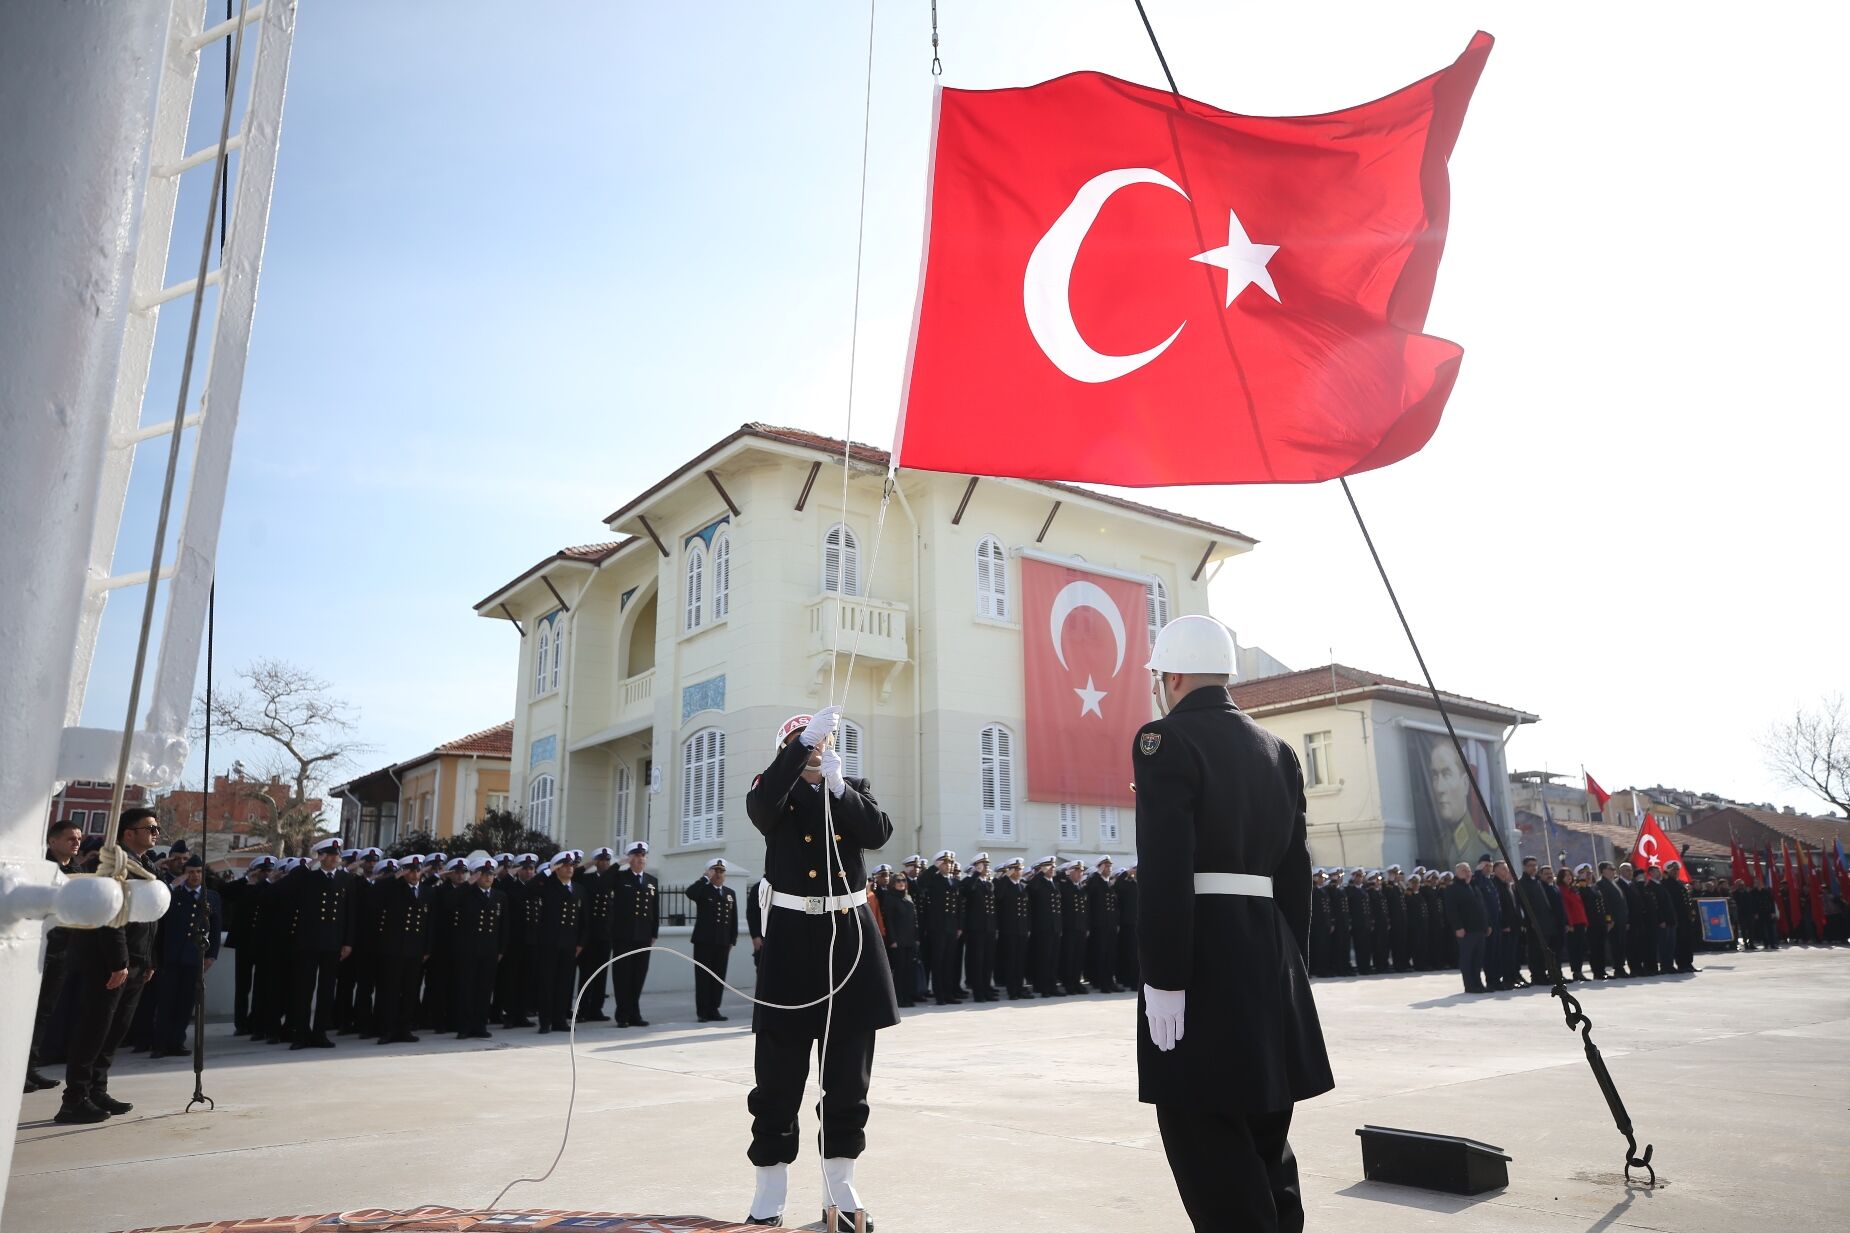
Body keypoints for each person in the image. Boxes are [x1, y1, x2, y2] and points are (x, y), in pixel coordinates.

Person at [1136, 616, 1333, 1233]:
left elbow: (1166, 867)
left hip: (1205, 959)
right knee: (1267, 1139)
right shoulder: (1278, 751)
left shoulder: (1165, 740)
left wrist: (1165, 978)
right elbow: (1296, 873)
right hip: (1269, 955)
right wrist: (1292, 969)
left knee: (1206, 1141)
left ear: (1171, 676)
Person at [742, 706, 897, 1229]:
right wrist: (797, 751)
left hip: (848, 939)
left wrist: (839, 787)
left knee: (849, 1076)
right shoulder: (772, 789)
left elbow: (876, 832)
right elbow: (763, 810)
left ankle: (840, 1189)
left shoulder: (850, 788)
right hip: (792, 941)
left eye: (821, 742)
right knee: (778, 1077)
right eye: (805, 744)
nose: (815, 751)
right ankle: (769, 1194)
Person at [58, 807, 162, 1123]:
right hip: (109, 963)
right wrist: (119, 963)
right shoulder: (112, 865)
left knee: (115, 1031)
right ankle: (74, 1099)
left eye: (156, 829)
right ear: (128, 833)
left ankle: (96, 1090)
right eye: (150, 828)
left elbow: (148, 918)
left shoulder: (145, 865)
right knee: (94, 1030)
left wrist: (148, 959)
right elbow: (110, 917)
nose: (156, 834)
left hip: (136, 961)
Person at [26, 819, 84, 1093]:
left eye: (79, 838)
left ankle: (29, 1067)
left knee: (44, 1012)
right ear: (53, 841)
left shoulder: (78, 871)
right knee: (26, 1009)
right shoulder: (40, 868)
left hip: (63, 949)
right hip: (37, 947)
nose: (76, 843)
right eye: (71, 838)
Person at [286, 836, 355, 1050]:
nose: (335, 858)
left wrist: (348, 942)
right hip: (309, 942)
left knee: (327, 991)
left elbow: (350, 913)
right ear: (322, 856)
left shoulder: (345, 879)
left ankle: (320, 1033)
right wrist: (312, 862)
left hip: (333, 943)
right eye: (330, 855)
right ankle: (301, 1034)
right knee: (304, 989)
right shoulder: (309, 877)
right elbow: (290, 882)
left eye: (337, 855)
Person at [151, 855, 222, 1058]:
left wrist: (211, 955)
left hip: (194, 957)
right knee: (167, 1002)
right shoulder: (174, 894)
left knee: (186, 1002)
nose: (195, 876)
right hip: (171, 957)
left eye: (198, 872)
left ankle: (177, 1042)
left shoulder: (211, 897)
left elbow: (215, 929)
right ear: (184, 874)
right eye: (190, 872)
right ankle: (160, 1044)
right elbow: (161, 926)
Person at [374, 856, 432, 1044]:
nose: (415, 875)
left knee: (410, 992)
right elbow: (377, 890)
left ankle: (404, 1029)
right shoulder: (394, 889)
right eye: (410, 871)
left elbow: (429, 923)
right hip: (395, 948)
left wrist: (427, 948)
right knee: (391, 991)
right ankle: (388, 1030)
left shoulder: (426, 891)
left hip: (415, 949)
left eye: (417, 871)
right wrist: (395, 876)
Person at [453, 855, 507, 1040]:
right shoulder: (467, 894)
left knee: (484, 989)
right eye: (483, 874)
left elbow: (504, 925)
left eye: (490, 874)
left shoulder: (500, 896)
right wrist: (468, 883)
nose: (488, 877)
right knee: (466, 989)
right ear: (476, 876)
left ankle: (480, 1025)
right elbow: (449, 902)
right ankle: (464, 1026)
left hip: (490, 950)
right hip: (469, 949)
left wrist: (501, 949)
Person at [608, 841, 660, 1028]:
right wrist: (618, 864)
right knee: (622, 976)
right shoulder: (620, 877)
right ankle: (622, 1015)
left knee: (638, 975)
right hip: (623, 935)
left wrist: (654, 932)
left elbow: (655, 909)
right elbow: (602, 883)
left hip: (644, 936)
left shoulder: (651, 881)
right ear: (630, 858)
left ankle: (634, 1013)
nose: (640, 859)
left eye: (643, 856)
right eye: (636, 856)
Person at [534, 851, 584, 1033]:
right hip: (549, 942)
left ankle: (560, 1020)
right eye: (565, 865)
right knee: (547, 983)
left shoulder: (578, 889)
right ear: (557, 868)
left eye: (572, 865)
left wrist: (581, 942)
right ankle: (545, 1021)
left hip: (569, 943)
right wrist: (549, 870)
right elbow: (530, 888)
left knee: (564, 984)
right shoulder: (548, 886)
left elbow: (583, 919)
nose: (570, 868)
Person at [687, 856, 740, 1022]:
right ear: (710, 873)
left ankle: (714, 1009)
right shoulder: (703, 890)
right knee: (703, 978)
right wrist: (704, 878)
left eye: (721, 871)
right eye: (715, 871)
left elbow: (733, 919)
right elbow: (690, 892)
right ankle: (702, 1012)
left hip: (723, 942)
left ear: (725, 874)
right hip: (704, 942)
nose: (718, 874)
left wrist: (732, 940)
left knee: (719, 978)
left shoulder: (730, 894)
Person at [916, 849, 962, 1004]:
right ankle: (939, 995)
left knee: (949, 962)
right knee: (938, 961)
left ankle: (949, 994)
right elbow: (920, 882)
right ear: (939, 865)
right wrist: (934, 867)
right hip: (937, 927)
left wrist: (959, 926)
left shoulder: (954, 881)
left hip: (951, 927)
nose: (948, 866)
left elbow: (959, 907)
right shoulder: (934, 880)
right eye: (945, 863)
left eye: (950, 863)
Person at [1442, 862, 1490, 993]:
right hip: (1466, 930)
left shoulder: (1473, 886)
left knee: (1478, 958)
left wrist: (1487, 924)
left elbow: (1482, 907)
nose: (1467, 873)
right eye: (1464, 871)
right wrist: (1458, 927)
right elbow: (1452, 911)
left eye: (1468, 870)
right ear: (1457, 873)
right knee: (1467, 958)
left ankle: (1478, 983)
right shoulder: (1453, 889)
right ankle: (1470, 985)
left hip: (1479, 928)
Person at [959, 852, 999, 1002]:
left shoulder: (987, 883)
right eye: (983, 865)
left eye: (987, 865)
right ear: (976, 866)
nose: (986, 867)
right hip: (976, 929)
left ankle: (987, 989)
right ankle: (978, 992)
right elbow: (966, 890)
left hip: (989, 928)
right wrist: (976, 873)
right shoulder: (971, 882)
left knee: (988, 961)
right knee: (978, 961)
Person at [993, 858, 1032, 999]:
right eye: (1016, 869)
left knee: (1020, 960)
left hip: (1021, 929)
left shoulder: (1021, 886)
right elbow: (998, 896)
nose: (1019, 871)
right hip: (1009, 929)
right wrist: (1005, 877)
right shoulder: (1004, 885)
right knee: (1011, 960)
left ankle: (1019, 987)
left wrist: (1028, 927)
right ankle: (1012, 990)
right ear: (1010, 871)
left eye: (1020, 869)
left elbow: (1027, 910)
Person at [1027, 856, 1064, 997]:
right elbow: (1031, 889)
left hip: (1055, 927)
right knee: (1043, 958)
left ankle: (1052, 985)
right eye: (1050, 867)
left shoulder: (1054, 883)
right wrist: (1040, 873)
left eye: (1053, 866)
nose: (1052, 869)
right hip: (1042, 927)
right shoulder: (1039, 882)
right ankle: (1042, 987)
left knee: (1053, 958)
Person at [1086, 857, 1123, 993]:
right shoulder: (1095, 881)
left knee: (1111, 954)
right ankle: (1103, 983)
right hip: (1100, 925)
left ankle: (1110, 981)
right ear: (1100, 867)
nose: (1109, 868)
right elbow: (1089, 891)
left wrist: (1116, 922)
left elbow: (1115, 906)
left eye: (1110, 866)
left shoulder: (1108, 883)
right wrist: (1097, 873)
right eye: (1106, 866)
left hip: (1111, 925)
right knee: (1101, 954)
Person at [883, 872, 920, 1007]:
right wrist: (892, 940)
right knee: (899, 970)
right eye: (898, 881)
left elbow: (915, 920)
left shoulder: (908, 897)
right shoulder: (890, 899)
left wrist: (917, 938)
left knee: (909, 970)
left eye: (903, 880)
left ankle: (907, 997)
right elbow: (889, 921)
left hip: (910, 940)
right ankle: (898, 998)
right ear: (893, 883)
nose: (901, 883)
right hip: (898, 941)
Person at [1116, 863, 1142, 989]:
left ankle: (1137, 979)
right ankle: (1129, 980)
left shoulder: (1142, 884)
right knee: (1129, 953)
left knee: (1138, 954)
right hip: (1128, 924)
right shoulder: (1127, 884)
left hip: (1140, 924)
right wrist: (1126, 873)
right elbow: (1117, 885)